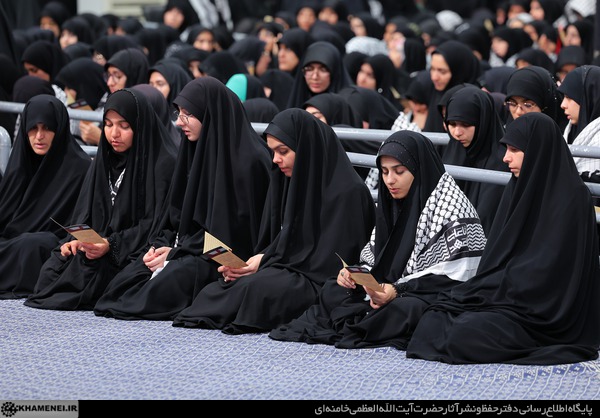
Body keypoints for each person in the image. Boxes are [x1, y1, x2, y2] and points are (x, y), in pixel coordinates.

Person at [406, 112, 600, 365]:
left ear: (539, 150)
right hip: (507, 294)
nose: (506, 157)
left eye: (514, 150)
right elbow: (497, 255)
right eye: (506, 149)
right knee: (434, 317)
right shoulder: (517, 188)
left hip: (540, 310)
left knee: (464, 333)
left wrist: (503, 286)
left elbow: (556, 272)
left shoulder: (572, 198)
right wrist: (492, 287)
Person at [269, 130, 486, 348]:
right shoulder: (392, 202)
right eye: (384, 172)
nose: (390, 180)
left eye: (399, 171)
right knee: (333, 288)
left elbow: (456, 276)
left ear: (419, 169)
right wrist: (354, 274)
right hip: (386, 289)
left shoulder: (452, 208)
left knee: (409, 310)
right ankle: (367, 318)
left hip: (428, 292)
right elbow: (376, 260)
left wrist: (398, 291)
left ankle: (367, 319)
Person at [170, 108, 376, 334]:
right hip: (291, 268)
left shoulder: (348, 193)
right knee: (223, 288)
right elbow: (288, 239)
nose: (276, 159)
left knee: (256, 290)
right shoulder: (292, 180)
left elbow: (331, 261)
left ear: (305, 148)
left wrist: (269, 261)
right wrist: (262, 260)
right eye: (273, 152)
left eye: (283, 151)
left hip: (318, 281)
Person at [93, 77, 272, 321]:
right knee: (126, 280)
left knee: (167, 281)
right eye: (179, 113)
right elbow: (174, 216)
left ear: (209, 114)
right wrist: (160, 245)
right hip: (188, 247)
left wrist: (176, 253)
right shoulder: (193, 151)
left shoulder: (249, 161)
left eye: (188, 114)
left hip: (220, 257)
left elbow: (235, 235)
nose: (179, 122)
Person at [24, 88, 178, 311]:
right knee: (52, 270)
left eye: (124, 126)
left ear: (139, 126)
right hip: (99, 245)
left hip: (133, 249)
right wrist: (78, 240)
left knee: (113, 282)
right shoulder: (103, 161)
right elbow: (87, 212)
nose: (114, 134)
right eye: (108, 124)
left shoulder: (162, 165)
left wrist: (111, 244)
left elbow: (155, 224)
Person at [0, 95, 91, 299]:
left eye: (47, 128)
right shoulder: (21, 162)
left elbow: (82, 221)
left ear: (59, 128)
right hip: (13, 243)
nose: (39, 136)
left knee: (34, 245)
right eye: (33, 128)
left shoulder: (80, 168)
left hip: (52, 247)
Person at [442, 85, 510, 234]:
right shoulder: (453, 151)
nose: (457, 132)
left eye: (466, 124)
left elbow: (487, 217)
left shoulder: (503, 161)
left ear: (483, 121)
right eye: (452, 124)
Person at [423, 40, 481, 134]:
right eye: (432, 69)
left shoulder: (474, 101)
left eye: (442, 71)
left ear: (459, 72)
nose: (434, 77)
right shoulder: (436, 92)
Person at [286, 40, 353, 109]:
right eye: (309, 69)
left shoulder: (347, 104)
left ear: (334, 72)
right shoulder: (297, 99)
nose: (315, 77)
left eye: (323, 70)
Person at [504, 65, 567, 130]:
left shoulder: (567, 133)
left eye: (528, 105)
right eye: (512, 104)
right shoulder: (506, 132)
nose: (518, 112)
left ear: (546, 105)